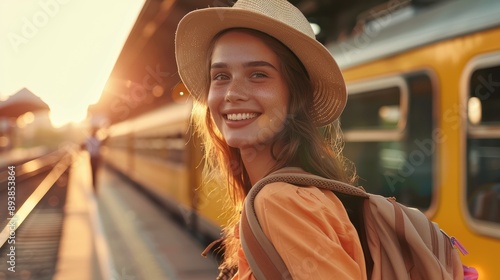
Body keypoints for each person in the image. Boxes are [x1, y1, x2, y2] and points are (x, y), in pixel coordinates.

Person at [175, 0, 366, 279]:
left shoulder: (279, 201)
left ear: (295, 97)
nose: (232, 94)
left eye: (258, 74)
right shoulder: (301, 190)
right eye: (221, 76)